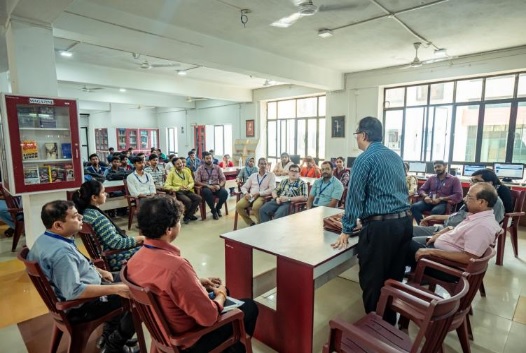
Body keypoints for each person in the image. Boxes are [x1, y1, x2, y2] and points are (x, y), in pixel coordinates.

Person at [125, 195, 258, 353]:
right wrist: (221, 294)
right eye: (178, 221)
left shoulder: (134, 261)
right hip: (189, 341)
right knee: (249, 307)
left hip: (163, 333)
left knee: (222, 294)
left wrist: (196, 281)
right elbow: (209, 317)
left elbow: (163, 288)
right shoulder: (176, 268)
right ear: (169, 229)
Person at [331, 116, 412, 325]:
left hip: (381, 229)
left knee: (373, 281)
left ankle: (375, 330)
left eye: (356, 134)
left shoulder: (364, 159)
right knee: (392, 279)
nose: (356, 138)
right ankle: (389, 324)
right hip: (404, 224)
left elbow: (354, 196)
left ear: (364, 135)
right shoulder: (395, 157)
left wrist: (346, 229)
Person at [27, 200, 137, 353]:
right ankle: (115, 344)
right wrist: (115, 289)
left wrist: (99, 271)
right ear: (58, 225)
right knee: (139, 297)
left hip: (86, 286)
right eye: (75, 216)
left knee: (131, 278)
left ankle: (109, 335)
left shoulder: (47, 240)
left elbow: (77, 266)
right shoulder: (61, 254)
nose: (81, 219)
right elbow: (75, 292)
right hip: (79, 306)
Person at [408, 183, 501, 268]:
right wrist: (446, 230)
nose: (464, 199)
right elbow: (463, 234)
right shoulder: (477, 216)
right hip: (441, 248)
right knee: (404, 241)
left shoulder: (482, 226)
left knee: (401, 245)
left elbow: (469, 258)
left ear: (481, 202)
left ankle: (397, 280)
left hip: (442, 262)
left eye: (469, 197)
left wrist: (432, 252)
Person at [72, 180, 145, 271]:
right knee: (151, 249)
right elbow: (117, 243)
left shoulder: (86, 214)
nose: (106, 194)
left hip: (104, 255)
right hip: (114, 258)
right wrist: (139, 238)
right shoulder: (98, 218)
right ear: (94, 197)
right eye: (103, 192)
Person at [410, 160, 463, 224]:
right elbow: (421, 189)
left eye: (439, 166)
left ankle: (430, 228)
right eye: (435, 167)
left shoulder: (454, 179)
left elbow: (458, 195)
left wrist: (441, 198)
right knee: (414, 207)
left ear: (445, 166)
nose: (437, 169)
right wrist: (425, 196)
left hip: (443, 203)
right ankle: (423, 224)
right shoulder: (431, 178)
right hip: (430, 201)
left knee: (435, 211)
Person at [236, 158, 276, 226]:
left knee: (256, 207)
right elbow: (244, 187)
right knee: (239, 206)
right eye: (261, 163)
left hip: (262, 196)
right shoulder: (253, 175)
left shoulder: (271, 175)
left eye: (265, 164)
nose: (263, 165)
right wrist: (246, 193)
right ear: (258, 165)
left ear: (267, 165)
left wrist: (259, 193)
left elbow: (272, 189)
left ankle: (261, 223)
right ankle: (250, 223)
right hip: (251, 196)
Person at [164, 158, 202, 224]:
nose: (180, 165)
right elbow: (166, 186)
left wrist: (188, 186)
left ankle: (188, 216)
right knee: (188, 201)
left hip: (187, 190)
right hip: (178, 192)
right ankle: (188, 216)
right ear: (174, 165)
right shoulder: (171, 173)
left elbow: (192, 182)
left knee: (198, 198)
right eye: (178, 164)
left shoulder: (186, 171)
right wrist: (178, 188)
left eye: (181, 163)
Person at [194, 152, 228, 220]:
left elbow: (223, 179)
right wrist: (208, 186)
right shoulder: (200, 168)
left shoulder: (217, 167)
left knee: (225, 193)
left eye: (210, 158)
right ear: (203, 159)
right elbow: (197, 181)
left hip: (216, 186)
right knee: (207, 192)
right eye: (207, 158)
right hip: (206, 187)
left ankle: (218, 208)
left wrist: (219, 185)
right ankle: (213, 211)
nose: (209, 160)